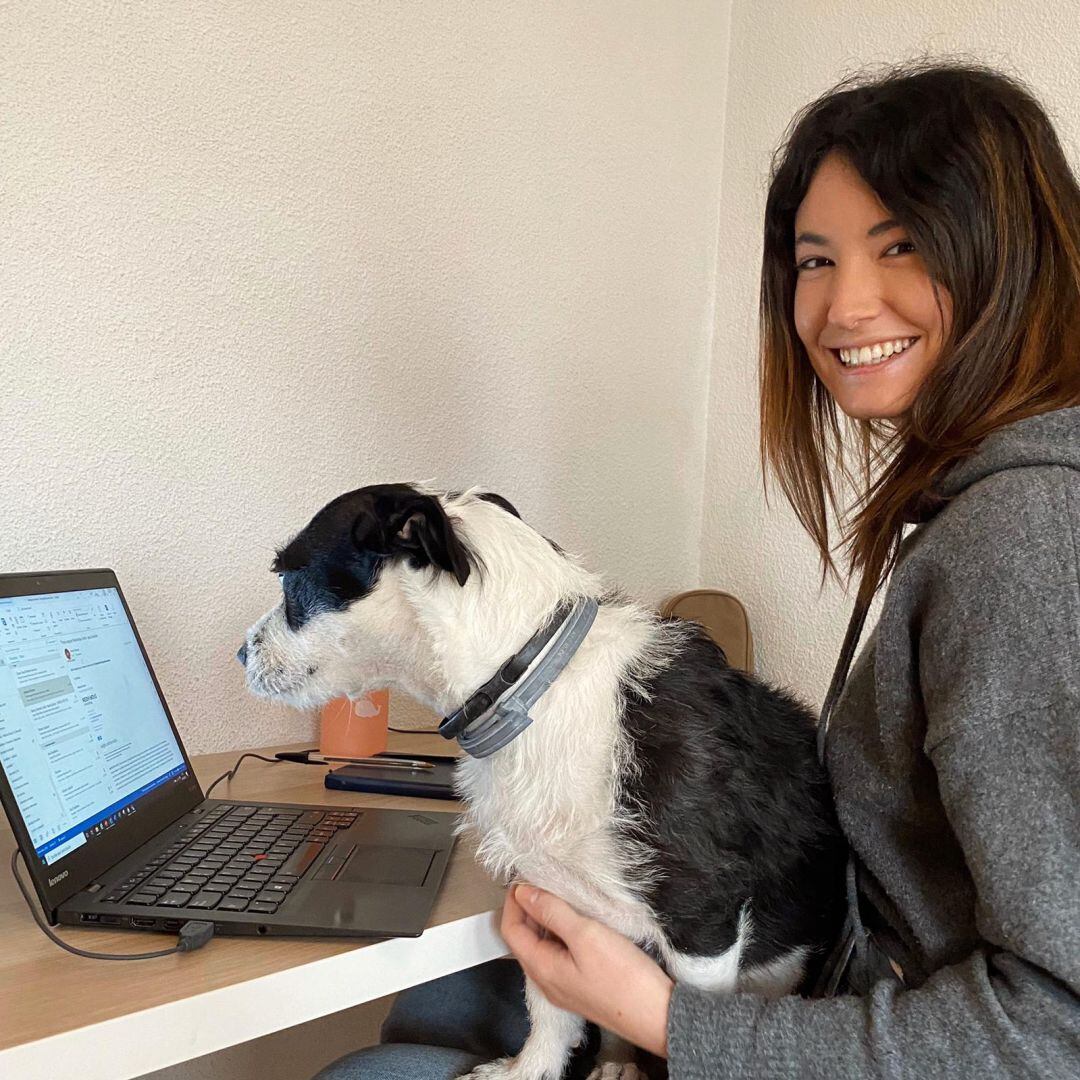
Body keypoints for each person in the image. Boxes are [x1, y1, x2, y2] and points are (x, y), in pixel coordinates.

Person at [314, 59, 1080, 1079]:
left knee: (382, 1064)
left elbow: (1054, 1032)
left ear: (1015, 257)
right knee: (448, 985)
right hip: (826, 972)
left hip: (853, 1022)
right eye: (814, 261)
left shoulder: (1022, 536)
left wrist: (674, 1026)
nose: (845, 306)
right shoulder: (981, 507)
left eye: (901, 245)